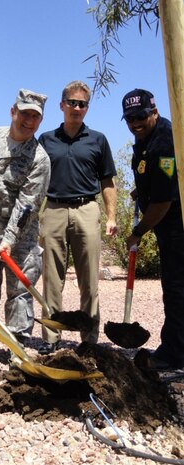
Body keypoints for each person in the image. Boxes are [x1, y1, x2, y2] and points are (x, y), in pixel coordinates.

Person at [0, 88, 50, 367]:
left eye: (35, 117)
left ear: (40, 121)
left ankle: (18, 347)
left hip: (22, 236)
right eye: (24, 113)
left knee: (20, 290)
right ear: (13, 111)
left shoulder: (40, 158)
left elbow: (28, 204)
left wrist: (10, 240)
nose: (28, 121)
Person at [38, 80, 117, 355]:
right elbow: (35, 179)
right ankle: (50, 338)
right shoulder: (46, 139)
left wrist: (111, 216)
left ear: (87, 108)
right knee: (51, 278)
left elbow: (108, 180)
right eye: (72, 102)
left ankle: (89, 339)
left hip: (87, 209)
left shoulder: (98, 140)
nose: (77, 108)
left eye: (82, 104)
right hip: (54, 209)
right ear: (62, 105)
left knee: (89, 280)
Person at [122, 89, 184, 371]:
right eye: (129, 118)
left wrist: (138, 231)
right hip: (167, 220)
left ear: (154, 112)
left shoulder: (164, 144)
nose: (135, 122)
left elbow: (163, 201)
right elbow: (157, 180)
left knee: (176, 287)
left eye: (140, 116)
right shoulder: (147, 138)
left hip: (175, 224)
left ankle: (175, 354)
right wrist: (141, 190)